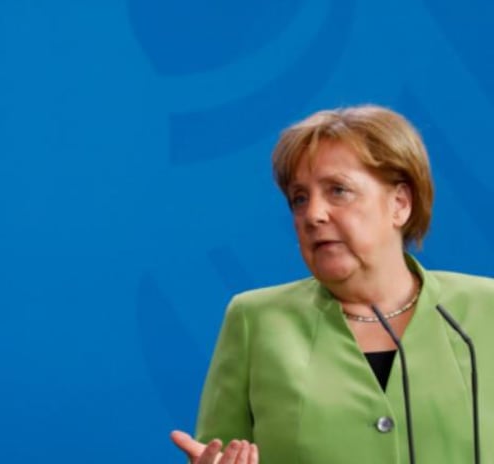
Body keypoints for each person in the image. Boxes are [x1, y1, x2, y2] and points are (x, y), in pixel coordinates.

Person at [170, 104, 494, 463]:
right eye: (299, 198)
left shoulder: (486, 308)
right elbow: (220, 449)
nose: (313, 214)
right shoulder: (255, 320)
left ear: (400, 204)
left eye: (338, 190)